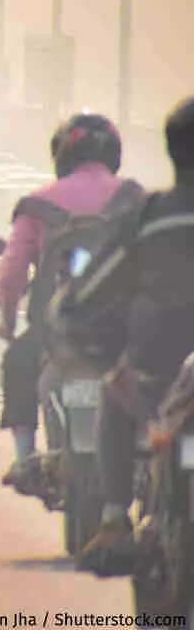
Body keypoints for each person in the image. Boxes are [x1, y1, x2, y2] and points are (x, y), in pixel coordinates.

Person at [62, 97, 194, 575]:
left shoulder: (148, 217)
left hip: (153, 375)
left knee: (113, 395)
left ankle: (115, 518)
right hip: (161, 383)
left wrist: (101, 356)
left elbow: (87, 298)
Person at [0, 112, 144, 490]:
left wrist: (8, 323)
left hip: (55, 329)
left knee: (18, 361)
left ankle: (25, 456)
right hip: (124, 327)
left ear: (61, 154)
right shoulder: (134, 197)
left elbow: (11, 275)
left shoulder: (37, 205)